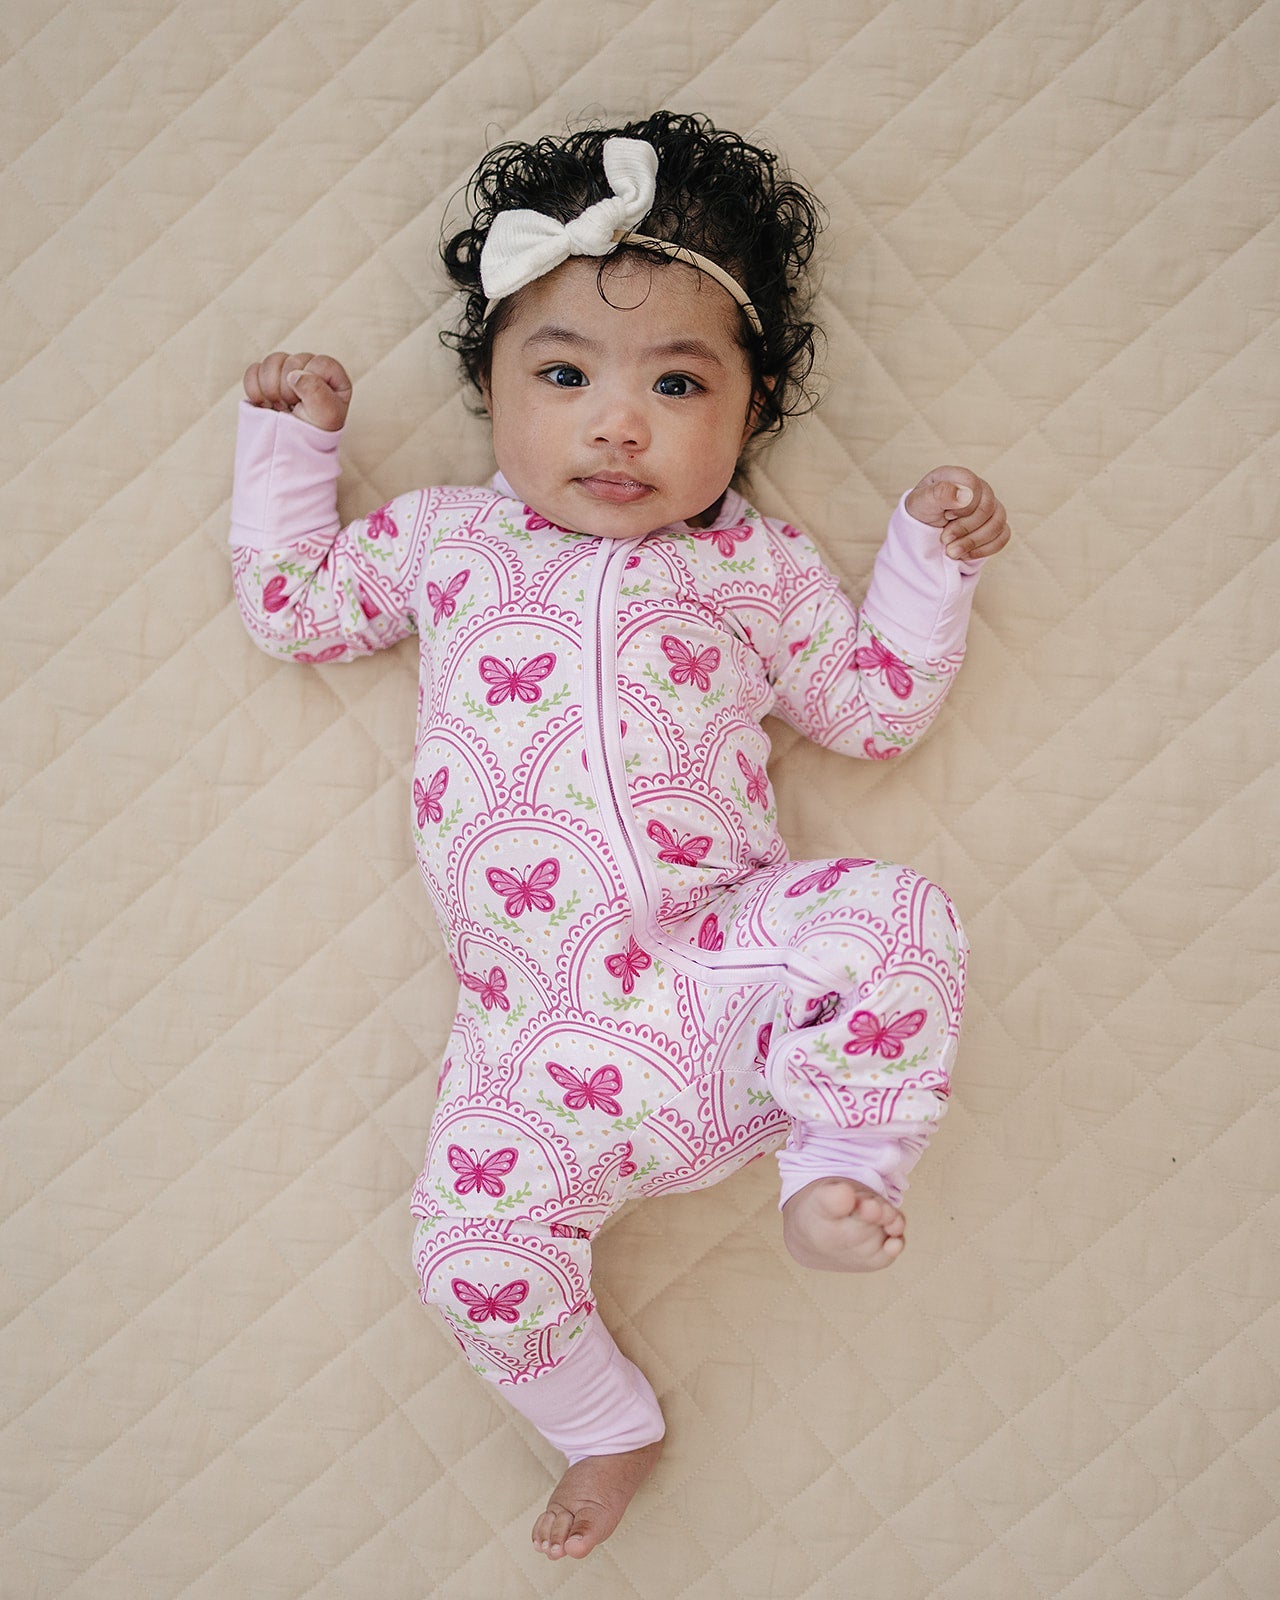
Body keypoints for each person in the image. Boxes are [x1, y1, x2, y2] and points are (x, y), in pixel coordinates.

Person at [229, 111, 1010, 1561]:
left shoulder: (752, 566)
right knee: (467, 1254)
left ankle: (844, 1156)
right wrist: (292, 442)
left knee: (896, 914)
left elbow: (875, 709)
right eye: (564, 375)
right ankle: (603, 1423)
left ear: (749, 415)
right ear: (489, 387)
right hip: (534, 1037)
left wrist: (924, 562)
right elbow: (292, 607)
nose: (618, 424)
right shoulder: (445, 540)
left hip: (723, 974)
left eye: (677, 383)